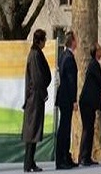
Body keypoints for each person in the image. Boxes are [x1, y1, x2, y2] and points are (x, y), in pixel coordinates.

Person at [78, 43, 101, 166]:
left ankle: (86, 156)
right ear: (96, 51)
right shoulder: (94, 64)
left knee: (89, 129)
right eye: (100, 49)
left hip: (89, 103)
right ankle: (83, 157)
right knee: (87, 129)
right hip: (87, 102)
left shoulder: (95, 64)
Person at [21, 29, 51, 172]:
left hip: (35, 97)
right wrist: (44, 92)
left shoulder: (36, 53)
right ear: (39, 41)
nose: (45, 42)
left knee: (33, 131)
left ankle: (30, 162)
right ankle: (28, 163)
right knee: (31, 131)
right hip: (34, 98)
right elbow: (38, 77)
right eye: (44, 39)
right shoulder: (34, 55)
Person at [55, 31, 78, 170]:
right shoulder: (68, 58)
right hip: (66, 98)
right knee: (64, 129)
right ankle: (61, 159)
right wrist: (74, 100)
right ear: (73, 42)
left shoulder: (64, 55)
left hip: (63, 97)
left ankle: (65, 156)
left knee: (65, 128)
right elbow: (71, 81)